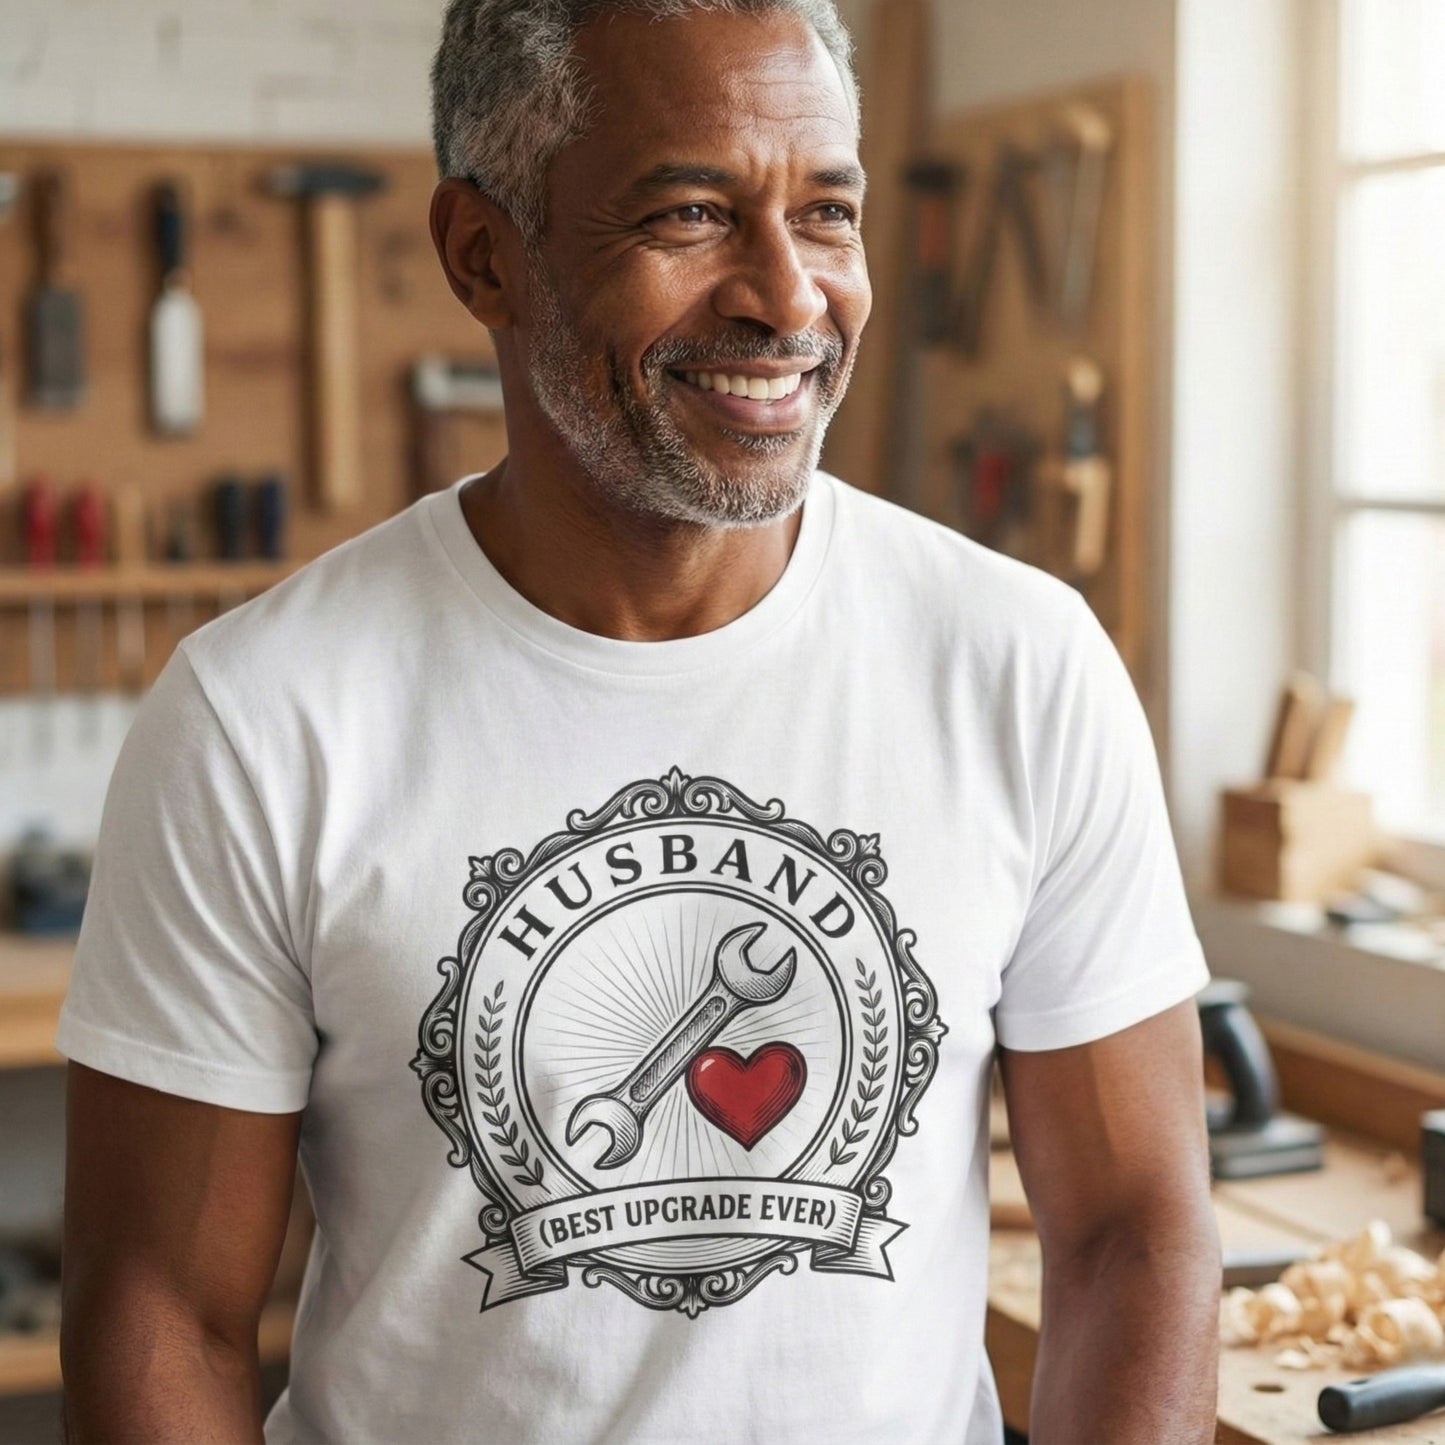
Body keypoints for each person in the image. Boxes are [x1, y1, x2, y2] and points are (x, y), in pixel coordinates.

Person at [57, 0, 1221, 1439]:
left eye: (828, 212)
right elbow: (161, 1308)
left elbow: (1130, 1229)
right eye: (691, 212)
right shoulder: (258, 719)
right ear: (485, 255)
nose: (789, 297)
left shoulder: (1022, 663)